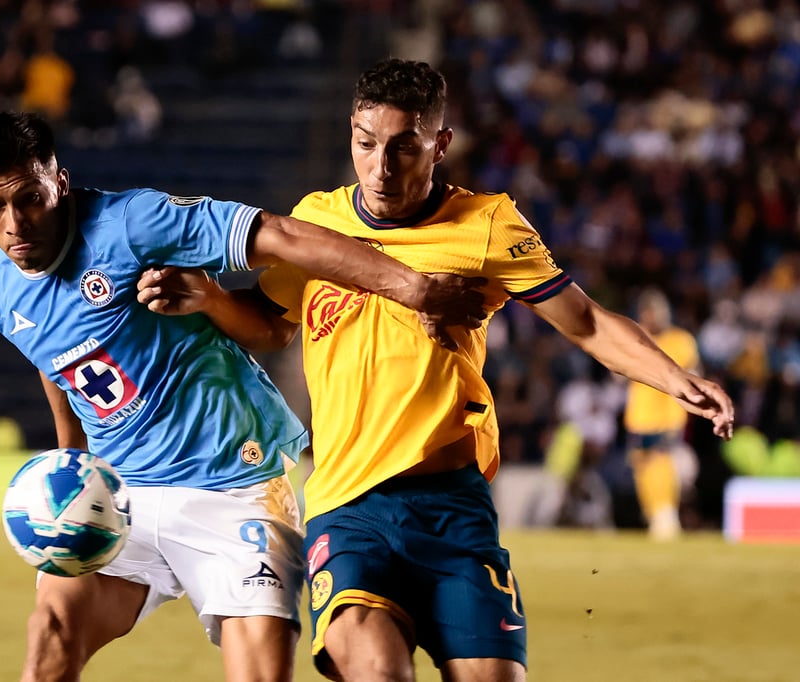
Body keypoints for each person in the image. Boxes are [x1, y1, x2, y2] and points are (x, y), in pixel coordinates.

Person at [136, 58, 736, 682]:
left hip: (453, 507)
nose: (381, 167)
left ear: (440, 144)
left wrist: (675, 378)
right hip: (349, 505)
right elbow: (271, 325)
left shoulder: (487, 226)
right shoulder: (316, 222)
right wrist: (210, 299)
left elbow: (584, 323)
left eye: (404, 147)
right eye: (366, 145)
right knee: (376, 669)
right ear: (351, 134)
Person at [0, 110, 486, 682]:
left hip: (237, 482)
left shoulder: (132, 223)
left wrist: (414, 288)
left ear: (58, 182)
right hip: (121, 494)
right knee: (49, 639)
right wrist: (72, 459)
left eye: (30, 198)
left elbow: (283, 236)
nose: (16, 223)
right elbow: (55, 359)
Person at [623, 287, 701, 540]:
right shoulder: (637, 338)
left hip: (667, 417)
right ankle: (653, 514)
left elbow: (693, 375)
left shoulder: (680, 340)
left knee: (663, 464)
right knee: (642, 467)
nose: (650, 317)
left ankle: (666, 514)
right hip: (639, 417)